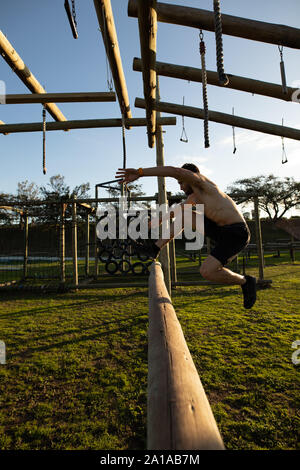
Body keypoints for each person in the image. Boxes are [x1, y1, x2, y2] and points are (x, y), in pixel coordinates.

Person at [116, 163, 256, 309]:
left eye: (181, 182)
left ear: (188, 177)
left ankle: (245, 281)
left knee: (207, 272)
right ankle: (154, 248)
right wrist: (159, 220)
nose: (181, 187)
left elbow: (173, 171)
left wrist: (140, 172)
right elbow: (179, 209)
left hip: (236, 233)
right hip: (220, 230)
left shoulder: (201, 183)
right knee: (184, 215)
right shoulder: (195, 197)